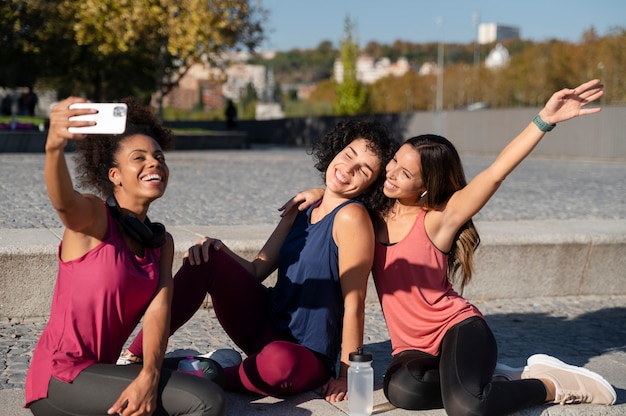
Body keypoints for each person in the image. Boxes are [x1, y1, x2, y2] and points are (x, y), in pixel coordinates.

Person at [285, 79, 617, 414]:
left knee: (467, 408)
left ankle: (548, 385)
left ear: (426, 186)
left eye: (406, 174)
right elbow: (339, 200)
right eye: (394, 162)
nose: (392, 174)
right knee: (404, 394)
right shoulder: (369, 217)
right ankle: (488, 380)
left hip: (457, 330)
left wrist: (544, 120)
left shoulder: (439, 219)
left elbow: (495, 173)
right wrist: (318, 194)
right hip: (411, 350)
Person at [121, 119, 398, 402]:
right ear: (337, 150)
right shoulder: (302, 208)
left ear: (372, 185)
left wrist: (346, 375)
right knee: (204, 257)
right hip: (264, 324)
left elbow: (355, 302)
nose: (348, 168)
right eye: (349, 155)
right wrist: (221, 251)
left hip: (306, 354)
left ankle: (208, 374)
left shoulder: (353, 218)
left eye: (363, 170)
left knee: (280, 363)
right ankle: (133, 357)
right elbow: (257, 269)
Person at [25, 96, 226, 416]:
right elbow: (63, 202)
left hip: (101, 373)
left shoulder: (160, 243)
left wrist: (149, 374)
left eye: (159, 156)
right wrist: (53, 149)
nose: (154, 163)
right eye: (139, 157)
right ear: (115, 175)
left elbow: (159, 314)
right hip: (60, 378)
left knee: (208, 375)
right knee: (204, 401)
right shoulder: (94, 218)